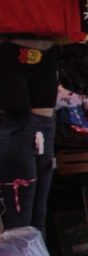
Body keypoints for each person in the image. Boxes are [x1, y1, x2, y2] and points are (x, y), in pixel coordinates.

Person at [0, 41, 58, 231]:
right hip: (8, 47)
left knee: (37, 210)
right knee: (22, 212)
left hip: (46, 46)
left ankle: (32, 253)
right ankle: (23, 254)